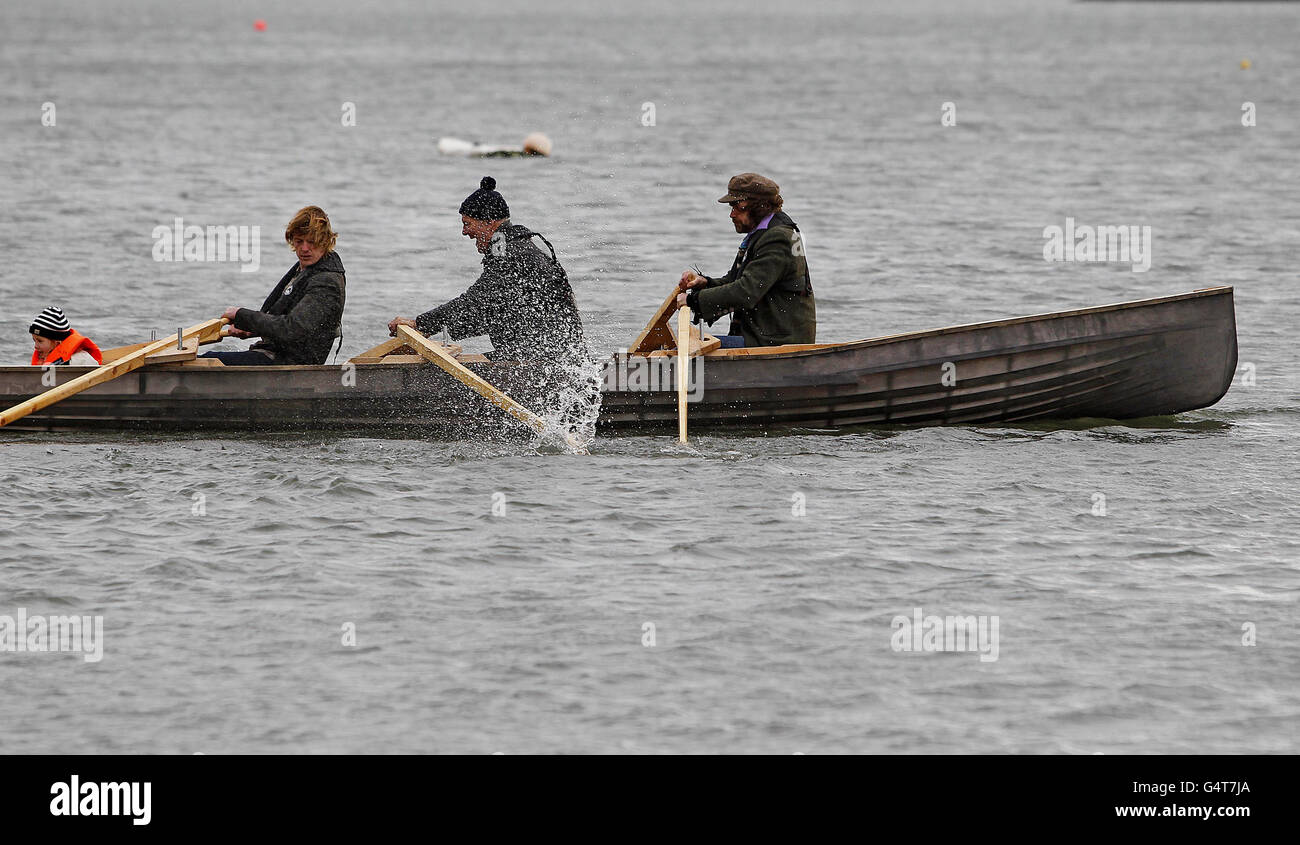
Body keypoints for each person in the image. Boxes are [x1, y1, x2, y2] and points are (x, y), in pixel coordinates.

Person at [387, 177, 587, 366]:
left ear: (489, 222)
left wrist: (422, 324)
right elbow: (487, 313)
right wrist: (431, 328)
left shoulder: (511, 252)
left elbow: (477, 300)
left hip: (548, 359)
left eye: (467, 224)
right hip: (558, 353)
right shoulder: (516, 246)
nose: (464, 232)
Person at [677, 172, 816, 348]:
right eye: (731, 207)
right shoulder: (766, 232)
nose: (732, 214)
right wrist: (704, 283)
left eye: (738, 207)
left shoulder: (777, 239)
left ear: (760, 207)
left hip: (778, 343)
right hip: (769, 336)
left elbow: (746, 292)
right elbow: (735, 281)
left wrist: (693, 301)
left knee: (684, 348)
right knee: (681, 346)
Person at [202, 206, 346, 365]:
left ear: (325, 242)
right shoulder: (307, 268)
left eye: (311, 242)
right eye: (299, 241)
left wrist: (242, 315)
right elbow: (283, 320)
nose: (304, 249)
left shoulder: (326, 282)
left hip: (291, 364)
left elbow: (292, 329)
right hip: (275, 354)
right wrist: (250, 329)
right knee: (208, 357)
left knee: (208, 360)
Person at [29, 306, 103, 366]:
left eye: (40, 341)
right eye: (34, 340)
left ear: (57, 342)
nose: (35, 346)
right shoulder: (42, 360)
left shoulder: (82, 360)